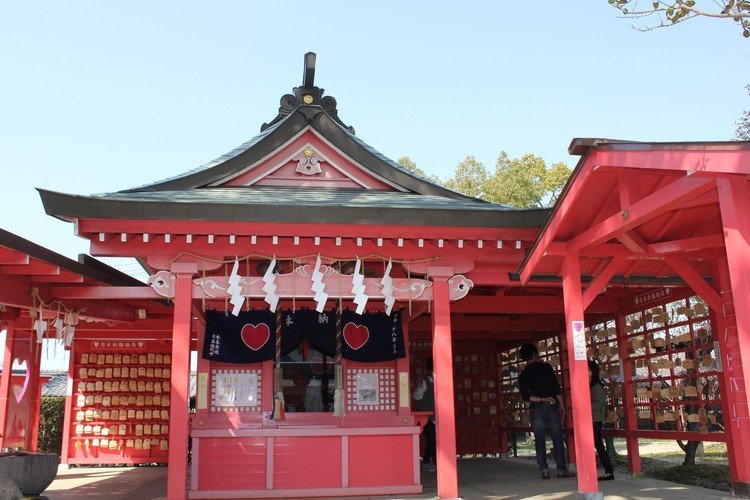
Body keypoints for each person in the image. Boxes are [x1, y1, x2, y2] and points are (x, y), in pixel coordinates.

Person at [518, 343, 575, 479]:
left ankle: (544, 470)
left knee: (539, 439)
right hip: (551, 405)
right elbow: (556, 388)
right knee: (557, 437)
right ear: (534, 354)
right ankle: (561, 469)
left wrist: (541, 399)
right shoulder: (546, 368)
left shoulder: (523, 374)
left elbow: (526, 397)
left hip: (535, 408)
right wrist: (561, 405)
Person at [589, 360, 615, 481]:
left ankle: (609, 472)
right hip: (591, 419)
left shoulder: (596, 386)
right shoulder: (590, 384)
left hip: (595, 419)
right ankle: (607, 471)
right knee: (596, 445)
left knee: (598, 445)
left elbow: (599, 404)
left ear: (591, 371)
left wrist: (585, 404)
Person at [413, 358, 436, 472]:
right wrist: (419, 388)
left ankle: (429, 461)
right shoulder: (425, 381)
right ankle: (427, 462)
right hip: (427, 417)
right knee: (432, 438)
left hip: (438, 416)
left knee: (434, 439)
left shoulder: (441, 380)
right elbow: (417, 397)